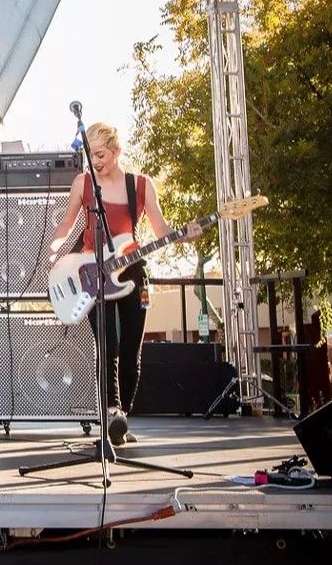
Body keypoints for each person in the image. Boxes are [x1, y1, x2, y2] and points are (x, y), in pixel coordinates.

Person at [46, 122, 201, 447]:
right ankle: (111, 412)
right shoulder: (83, 183)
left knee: (131, 349)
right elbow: (68, 223)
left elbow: (161, 230)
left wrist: (185, 235)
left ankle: (122, 419)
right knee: (107, 347)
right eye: (91, 156)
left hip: (132, 272)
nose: (95, 162)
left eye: (101, 155)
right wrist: (55, 249)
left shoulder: (141, 185)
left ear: (116, 152)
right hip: (93, 274)